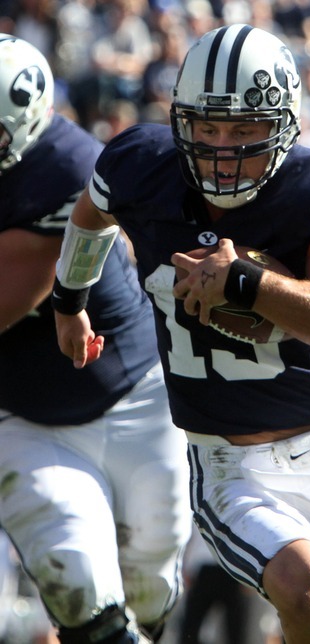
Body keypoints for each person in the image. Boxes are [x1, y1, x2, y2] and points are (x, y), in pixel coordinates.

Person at [53, 24, 310, 643]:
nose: (220, 148)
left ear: (284, 127)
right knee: (299, 583)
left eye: (243, 131)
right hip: (232, 464)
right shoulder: (141, 167)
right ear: (181, 119)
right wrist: (68, 299)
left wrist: (246, 285)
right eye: (206, 128)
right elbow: (89, 214)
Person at [0, 34, 192, 643]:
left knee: (152, 583)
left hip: (132, 392)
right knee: (77, 580)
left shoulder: (66, 170)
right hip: (25, 413)